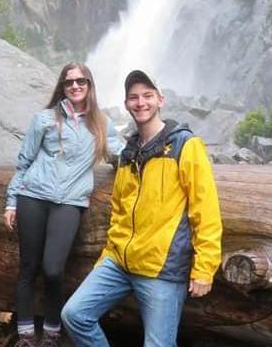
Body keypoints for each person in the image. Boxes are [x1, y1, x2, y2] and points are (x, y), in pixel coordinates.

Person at [61, 69, 222, 347]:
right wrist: (109, 255)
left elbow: (205, 209)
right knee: (75, 315)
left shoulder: (185, 145)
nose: (140, 102)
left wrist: (205, 268)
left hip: (162, 268)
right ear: (126, 105)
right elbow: (120, 211)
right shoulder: (128, 153)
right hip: (120, 262)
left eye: (147, 96)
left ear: (161, 100)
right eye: (133, 97)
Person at [4, 62, 123, 347]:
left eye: (81, 81)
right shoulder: (44, 118)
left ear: (90, 86)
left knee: (54, 269)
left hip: (70, 201)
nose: (75, 86)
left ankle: (52, 331)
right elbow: (24, 163)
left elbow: (119, 155)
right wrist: (11, 202)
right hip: (33, 196)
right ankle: (25, 335)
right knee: (29, 267)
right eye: (69, 82)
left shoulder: (102, 124)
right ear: (62, 86)